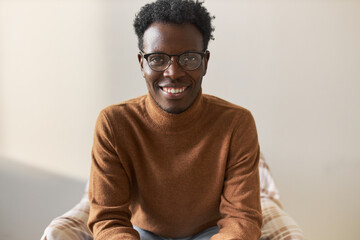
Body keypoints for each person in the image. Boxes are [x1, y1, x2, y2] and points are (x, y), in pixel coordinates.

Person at [88, 0, 262, 239]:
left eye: (189, 58)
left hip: (210, 233)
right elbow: (108, 219)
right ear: (142, 64)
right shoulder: (114, 123)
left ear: (205, 62)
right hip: (143, 233)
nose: (173, 72)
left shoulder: (236, 123)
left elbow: (242, 218)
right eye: (158, 59)